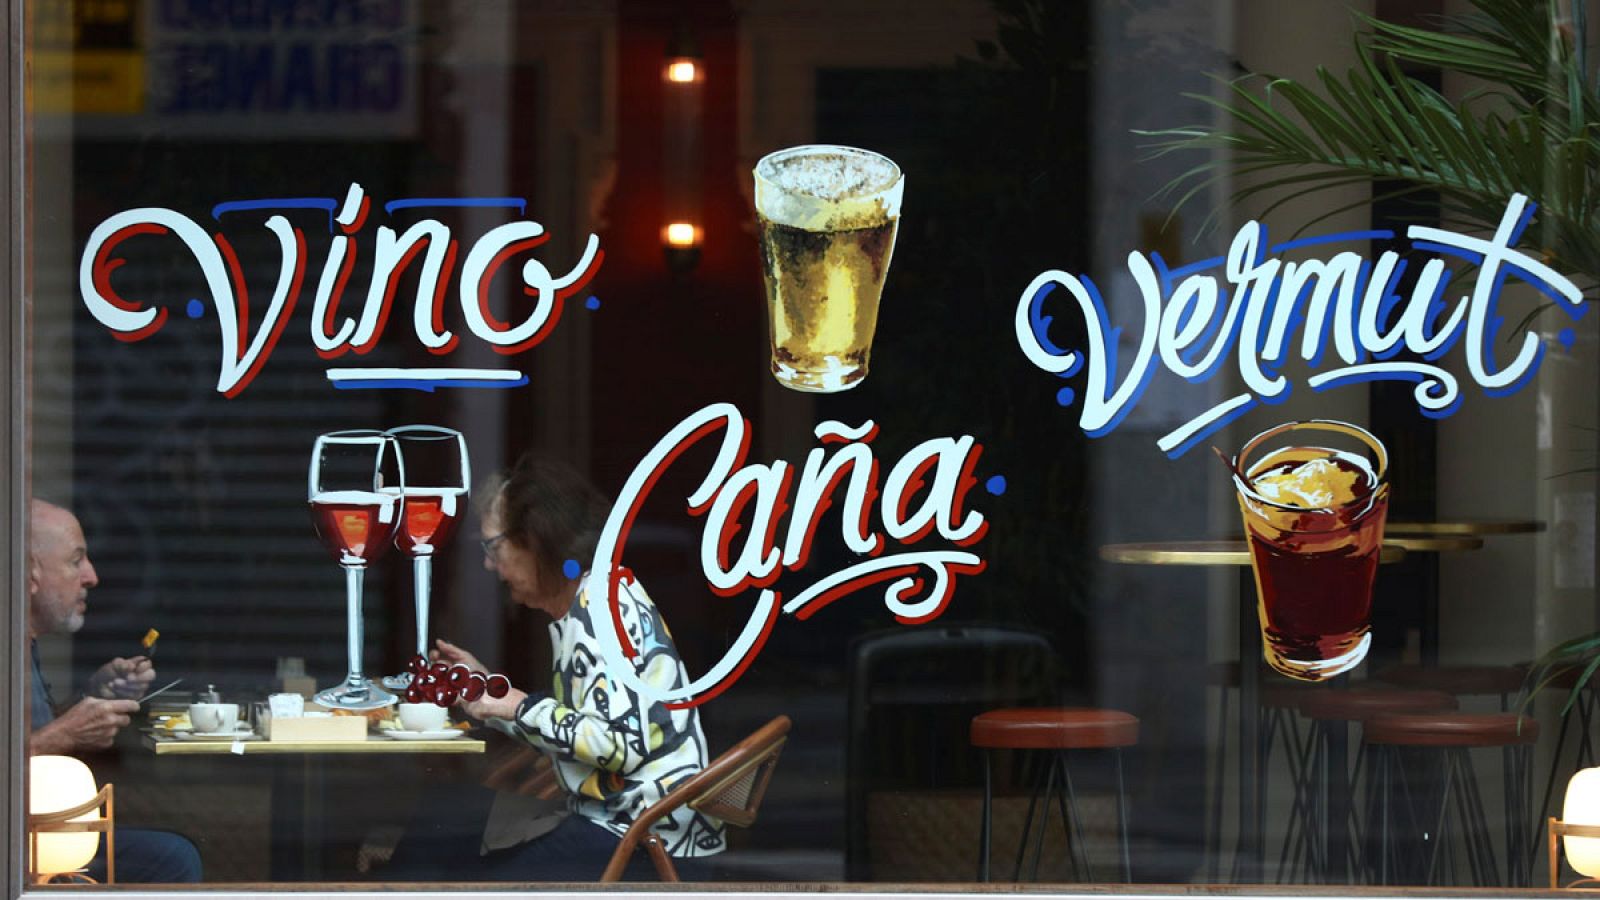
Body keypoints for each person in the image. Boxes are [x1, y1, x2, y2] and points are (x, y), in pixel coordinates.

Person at [401, 455, 726, 881]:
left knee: (449, 852)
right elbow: (580, 732)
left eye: (493, 548)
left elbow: (618, 745)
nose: (488, 565)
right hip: (616, 822)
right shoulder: (591, 602)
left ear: (536, 541)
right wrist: (493, 694)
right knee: (442, 820)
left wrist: (516, 706)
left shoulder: (601, 617)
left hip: (642, 838)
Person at [26, 499, 203, 884]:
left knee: (173, 844)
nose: (92, 576)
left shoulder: (24, 644)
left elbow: (28, 739)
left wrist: (93, 696)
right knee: (172, 860)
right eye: (76, 560)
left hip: (47, 837)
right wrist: (66, 733)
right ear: (29, 574)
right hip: (23, 853)